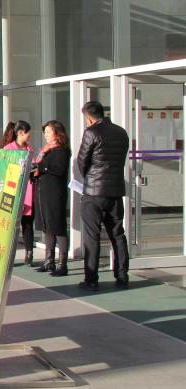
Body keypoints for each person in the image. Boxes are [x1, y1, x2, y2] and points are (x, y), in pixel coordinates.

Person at [77, 101, 130, 291]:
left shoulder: (91, 132)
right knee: (118, 234)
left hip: (94, 193)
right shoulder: (121, 132)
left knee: (92, 235)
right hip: (115, 191)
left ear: (89, 118)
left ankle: (91, 279)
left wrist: (89, 179)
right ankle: (122, 275)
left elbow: (82, 161)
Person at [31, 121, 72, 277]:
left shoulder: (62, 150)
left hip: (55, 193)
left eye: (48, 132)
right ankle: (49, 261)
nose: (46, 135)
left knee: (58, 226)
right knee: (47, 226)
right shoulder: (46, 150)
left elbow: (59, 169)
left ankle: (62, 264)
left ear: (57, 133)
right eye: (45, 132)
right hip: (43, 191)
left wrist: (41, 168)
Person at [2, 120, 35, 266]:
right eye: (28, 133)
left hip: (28, 192)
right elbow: (4, 170)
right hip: (12, 191)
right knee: (10, 227)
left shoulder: (29, 149)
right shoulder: (8, 149)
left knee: (27, 224)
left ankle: (29, 254)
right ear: (21, 133)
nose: (29, 136)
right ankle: (7, 257)